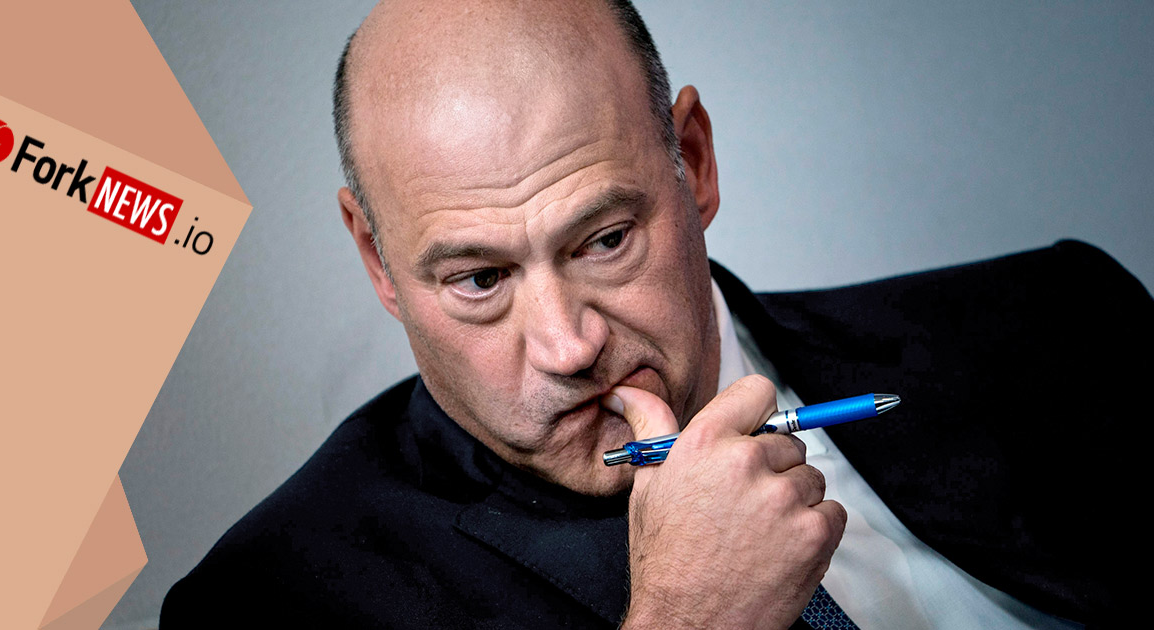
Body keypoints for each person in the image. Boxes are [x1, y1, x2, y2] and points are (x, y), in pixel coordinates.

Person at [161, 1, 1148, 628]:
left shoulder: (1061, 320)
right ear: (379, 259)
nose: (568, 345)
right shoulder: (275, 602)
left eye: (604, 240)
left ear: (695, 162)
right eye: (479, 281)